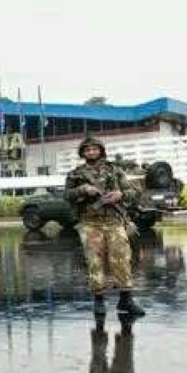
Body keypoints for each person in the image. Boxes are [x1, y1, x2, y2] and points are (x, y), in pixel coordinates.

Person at [64, 135, 145, 317]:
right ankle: (99, 300)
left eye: (95, 148)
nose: (91, 152)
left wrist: (120, 195)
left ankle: (126, 299)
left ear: (101, 150)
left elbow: (135, 191)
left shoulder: (114, 171)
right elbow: (67, 195)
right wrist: (83, 190)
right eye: (87, 149)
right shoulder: (76, 174)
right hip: (90, 223)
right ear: (83, 153)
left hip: (115, 221)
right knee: (95, 261)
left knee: (122, 259)